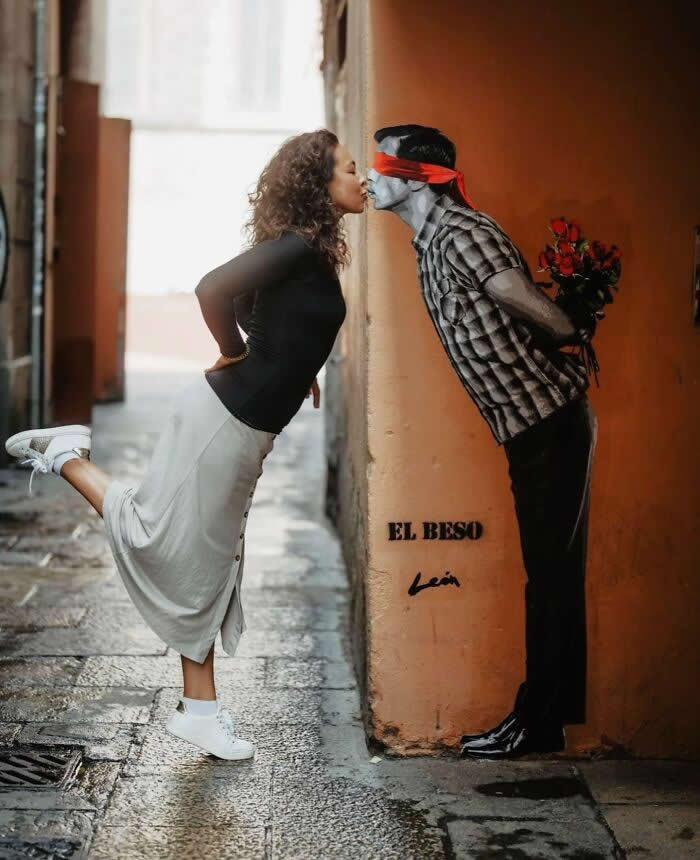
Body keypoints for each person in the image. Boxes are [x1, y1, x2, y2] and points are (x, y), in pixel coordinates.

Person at [5, 129, 368, 760]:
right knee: (168, 542)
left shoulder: (307, 253)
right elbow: (211, 288)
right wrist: (237, 354)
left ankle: (200, 714)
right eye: (350, 168)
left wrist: (291, 367)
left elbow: (278, 320)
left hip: (241, 424)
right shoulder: (294, 248)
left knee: (209, 558)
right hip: (221, 422)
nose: (362, 179)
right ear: (319, 184)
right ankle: (66, 456)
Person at [368, 124, 597, 758]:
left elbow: (519, 297)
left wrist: (567, 326)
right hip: (528, 427)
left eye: (382, 165)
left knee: (548, 577)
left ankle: (538, 721)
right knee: (547, 574)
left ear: (416, 177)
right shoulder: (430, 241)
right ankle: (539, 717)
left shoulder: (463, 232)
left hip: (549, 420)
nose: (369, 175)